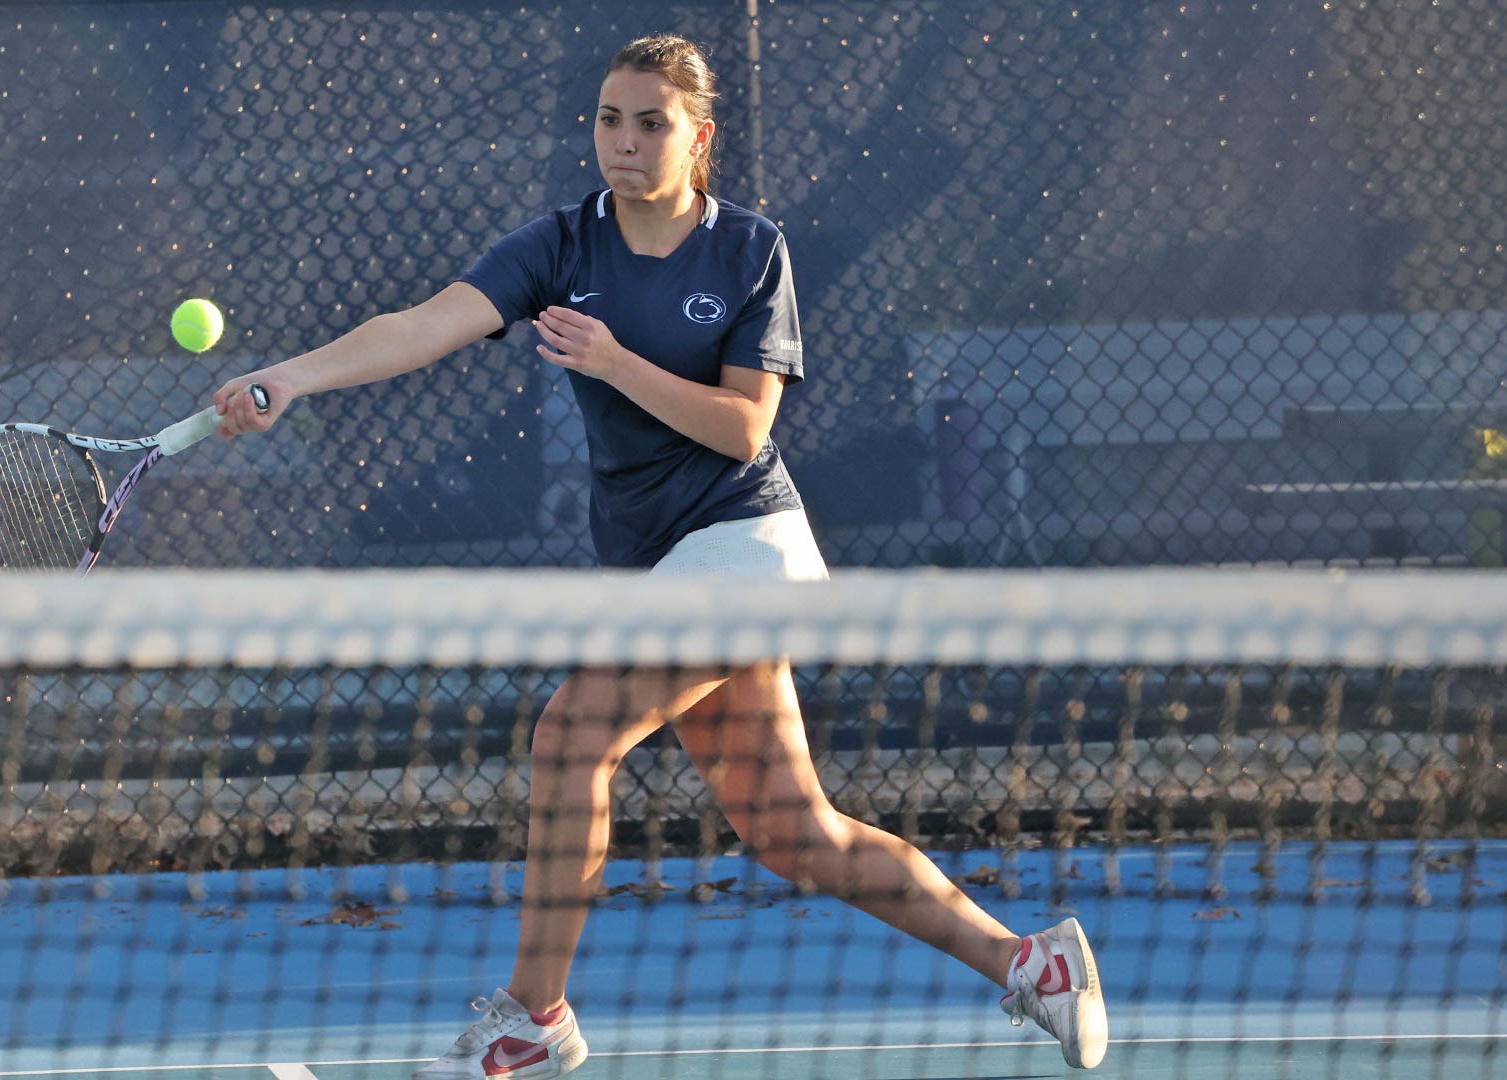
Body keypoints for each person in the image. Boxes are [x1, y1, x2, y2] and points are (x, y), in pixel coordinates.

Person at [213, 33, 1107, 1078]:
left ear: (700, 138)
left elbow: (743, 428)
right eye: (608, 119)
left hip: (748, 548)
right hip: (667, 571)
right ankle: (1031, 965)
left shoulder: (747, 251)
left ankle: (531, 1024)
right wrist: (293, 378)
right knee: (795, 835)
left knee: (571, 734)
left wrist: (615, 361)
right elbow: (424, 324)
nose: (624, 143)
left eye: (651, 123)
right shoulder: (563, 244)